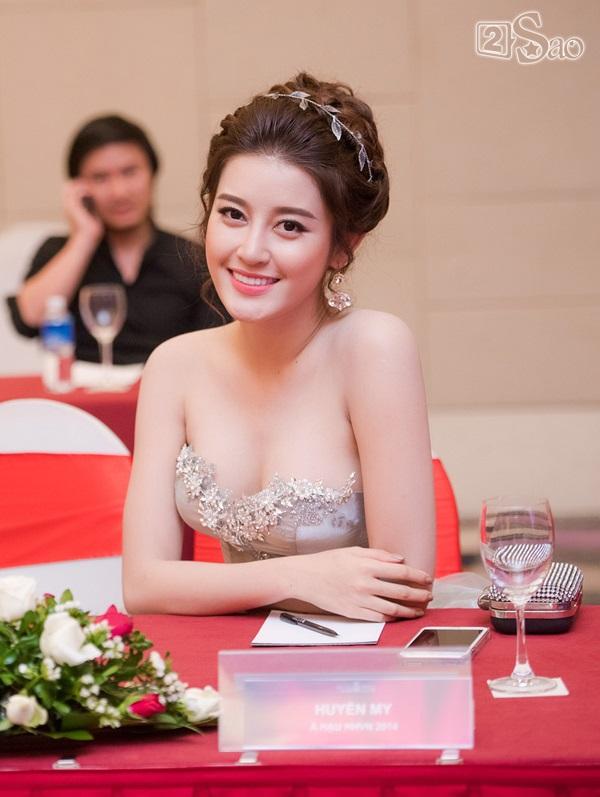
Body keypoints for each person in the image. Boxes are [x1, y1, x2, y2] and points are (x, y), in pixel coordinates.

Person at [123, 73, 436, 621]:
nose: (250, 250)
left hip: (359, 660)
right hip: (224, 656)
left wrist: (212, 589)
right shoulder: (174, 366)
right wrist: (299, 576)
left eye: (289, 226)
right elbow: (143, 586)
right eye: (233, 214)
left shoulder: (372, 349)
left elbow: (401, 586)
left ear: (343, 246)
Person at [6, 114, 226, 364]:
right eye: (100, 178)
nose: (119, 192)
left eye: (129, 172)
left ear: (152, 173)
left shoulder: (190, 257)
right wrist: (84, 237)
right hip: (80, 386)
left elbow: (212, 351)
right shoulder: (59, 250)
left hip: (164, 384)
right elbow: (28, 319)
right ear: (80, 188)